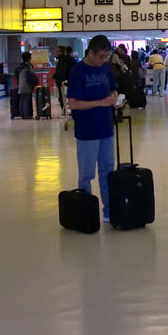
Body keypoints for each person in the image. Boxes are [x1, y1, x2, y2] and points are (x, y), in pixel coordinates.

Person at [67, 35, 118, 223]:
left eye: (106, 56)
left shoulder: (105, 68)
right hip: (87, 131)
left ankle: (109, 211)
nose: (103, 60)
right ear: (90, 52)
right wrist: (100, 103)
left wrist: (115, 98)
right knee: (87, 174)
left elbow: (113, 89)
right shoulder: (77, 72)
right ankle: (85, 213)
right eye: (101, 56)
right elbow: (73, 103)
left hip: (106, 128)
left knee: (107, 171)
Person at [54, 46, 76, 112]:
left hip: (63, 81)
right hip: (70, 81)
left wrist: (54, 76)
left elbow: (61, 72)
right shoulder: (72, 60)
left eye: (58, 51)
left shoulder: (62, 60)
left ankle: (64, 110)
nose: (56, 53)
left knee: (62, 96)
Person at [15, 52, 35, 119]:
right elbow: (32, 73)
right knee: (26, 100)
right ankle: (26, 115)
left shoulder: (20, 66)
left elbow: (16, 75)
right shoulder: (28, 65)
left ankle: (22, 114)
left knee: (21, 100)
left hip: (20, 84)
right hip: (27, 84)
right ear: (29, 58)